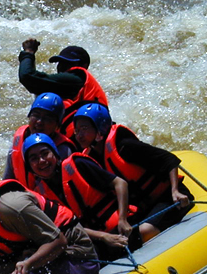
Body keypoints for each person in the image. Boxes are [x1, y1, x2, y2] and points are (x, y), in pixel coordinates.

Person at [73, 103, 194, 242]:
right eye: (76, 130)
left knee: (145, 230)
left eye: (84, 128)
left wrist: (175, 191)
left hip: (168, 198)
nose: (79, 135)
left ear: (99, 128)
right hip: (143, 207)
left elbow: (169, 159)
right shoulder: (91, 159)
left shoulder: (124, 146)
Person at [22, 133, 138, 259]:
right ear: (30, 166)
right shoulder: (41, 196)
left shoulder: (78, 164)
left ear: (55, 154)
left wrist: (123, 220)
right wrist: (104, 237)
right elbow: (67, 228)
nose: (42, 161)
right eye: (34, 158)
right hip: (95, 240)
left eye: (45, 153)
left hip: (121, 227)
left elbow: (120, 183)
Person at [18, 40, 109, 139]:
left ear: (84, 66)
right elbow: (36, 84)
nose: (61, 67)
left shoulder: (76, 79)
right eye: (60, 63)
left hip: (86, 140)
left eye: (67, 63)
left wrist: (28, 52)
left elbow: (28, 77)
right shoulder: (73, 86)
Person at [3, 92, 78, 188]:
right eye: (36, 115)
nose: (39, 122)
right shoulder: (19, 139)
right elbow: (7, 179)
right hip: (23, 196)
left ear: (57, 126)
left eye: (47, 118)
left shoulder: (63, 150)